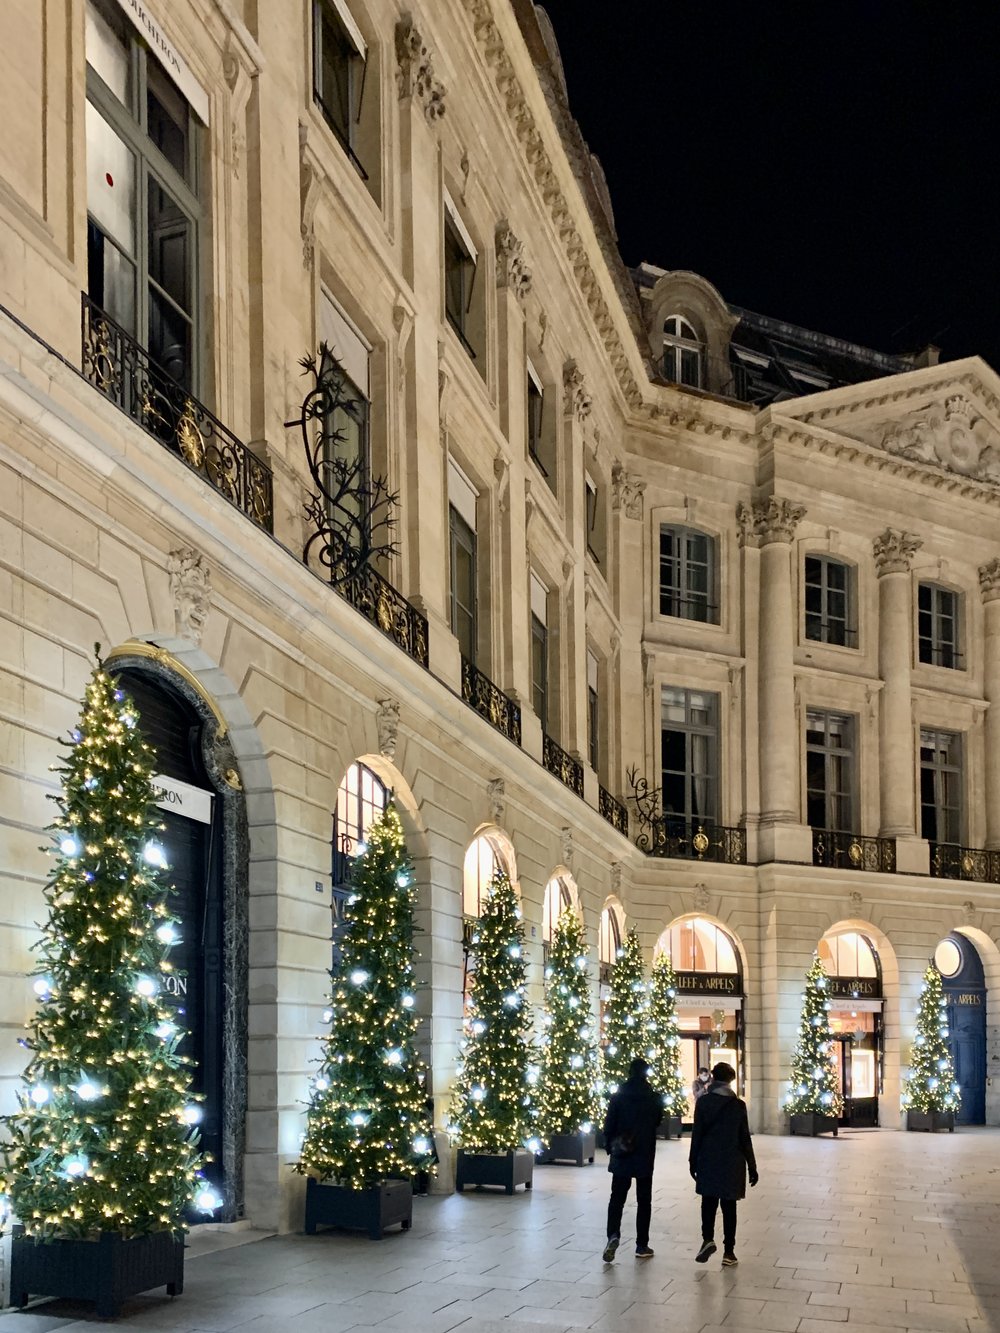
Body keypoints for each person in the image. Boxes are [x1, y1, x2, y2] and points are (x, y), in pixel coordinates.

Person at [688, 1061, 757, 1268]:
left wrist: (693, 1160)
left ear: (713, 1078)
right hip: (732, 1159)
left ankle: (707, 1239)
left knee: (708, 1202)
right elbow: (745, 1137)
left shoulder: (704, 1103)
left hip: (708, 1158)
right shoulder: (738, 1105)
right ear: (730, 1080)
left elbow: (697, 1134)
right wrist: (752, 1166)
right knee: (729, 1206)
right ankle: (729, 1251)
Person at [601, 1057, 663, 1262]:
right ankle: (641, 1245)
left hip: (622, 1151)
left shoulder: (618, 1097)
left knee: (616, 1197)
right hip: (644, 1152)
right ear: (646, 1074)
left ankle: (613, 1235)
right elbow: (657, 1121)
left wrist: (610, 1146)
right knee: (644, 1199)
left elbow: (609, 1124)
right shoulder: (653, 1097)